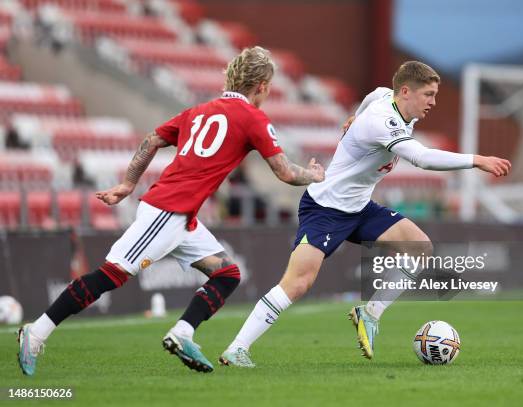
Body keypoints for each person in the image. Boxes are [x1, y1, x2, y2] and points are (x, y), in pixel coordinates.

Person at [17, 46, 325, 376]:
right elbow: (286, 172)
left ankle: (182, 332)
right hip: (167, 211)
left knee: (227, 274)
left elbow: (151, 140)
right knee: (111, 274)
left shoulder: (198, 111)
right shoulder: (253, 117)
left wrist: (127, 183)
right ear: (262, 86)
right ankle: (35, 333)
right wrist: (314, 175)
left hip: (182, 217)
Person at [220, 61, 511, 367]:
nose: (433, 102)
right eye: (428, 94)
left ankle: (370, 314)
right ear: (406, 91)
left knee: (420, 246)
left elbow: (374, 93)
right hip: (325, 209)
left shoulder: (388, 99)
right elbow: (422, 159)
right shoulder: (382, 121)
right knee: (298, 283)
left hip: (359, 208)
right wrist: (476, 159)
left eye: (435, 94)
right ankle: (237, 348)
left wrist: (353, 117)